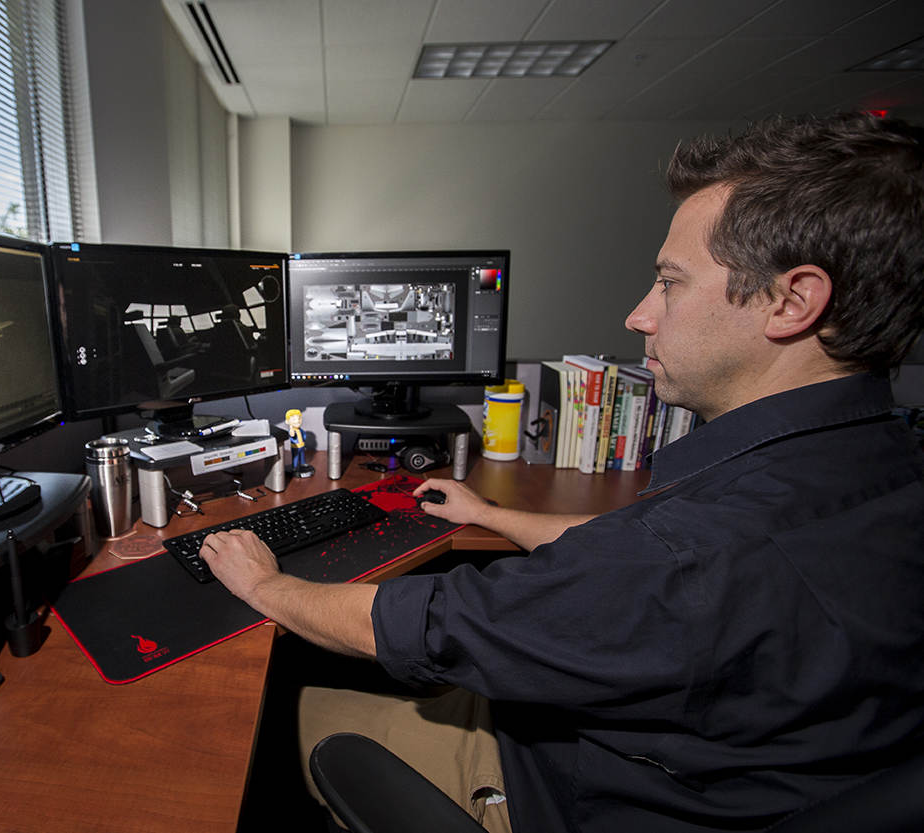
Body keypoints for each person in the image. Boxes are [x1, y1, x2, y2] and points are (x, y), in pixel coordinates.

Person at [198, 112, 924, 832]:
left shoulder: (692, 557)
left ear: (791, 301)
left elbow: (419, 627)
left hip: (549, 784)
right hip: (698, 764)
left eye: (670, 283)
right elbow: (630, 556)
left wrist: (265, 584)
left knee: (268, 710)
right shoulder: (880, 465)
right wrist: (490, 515)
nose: (639, 316)